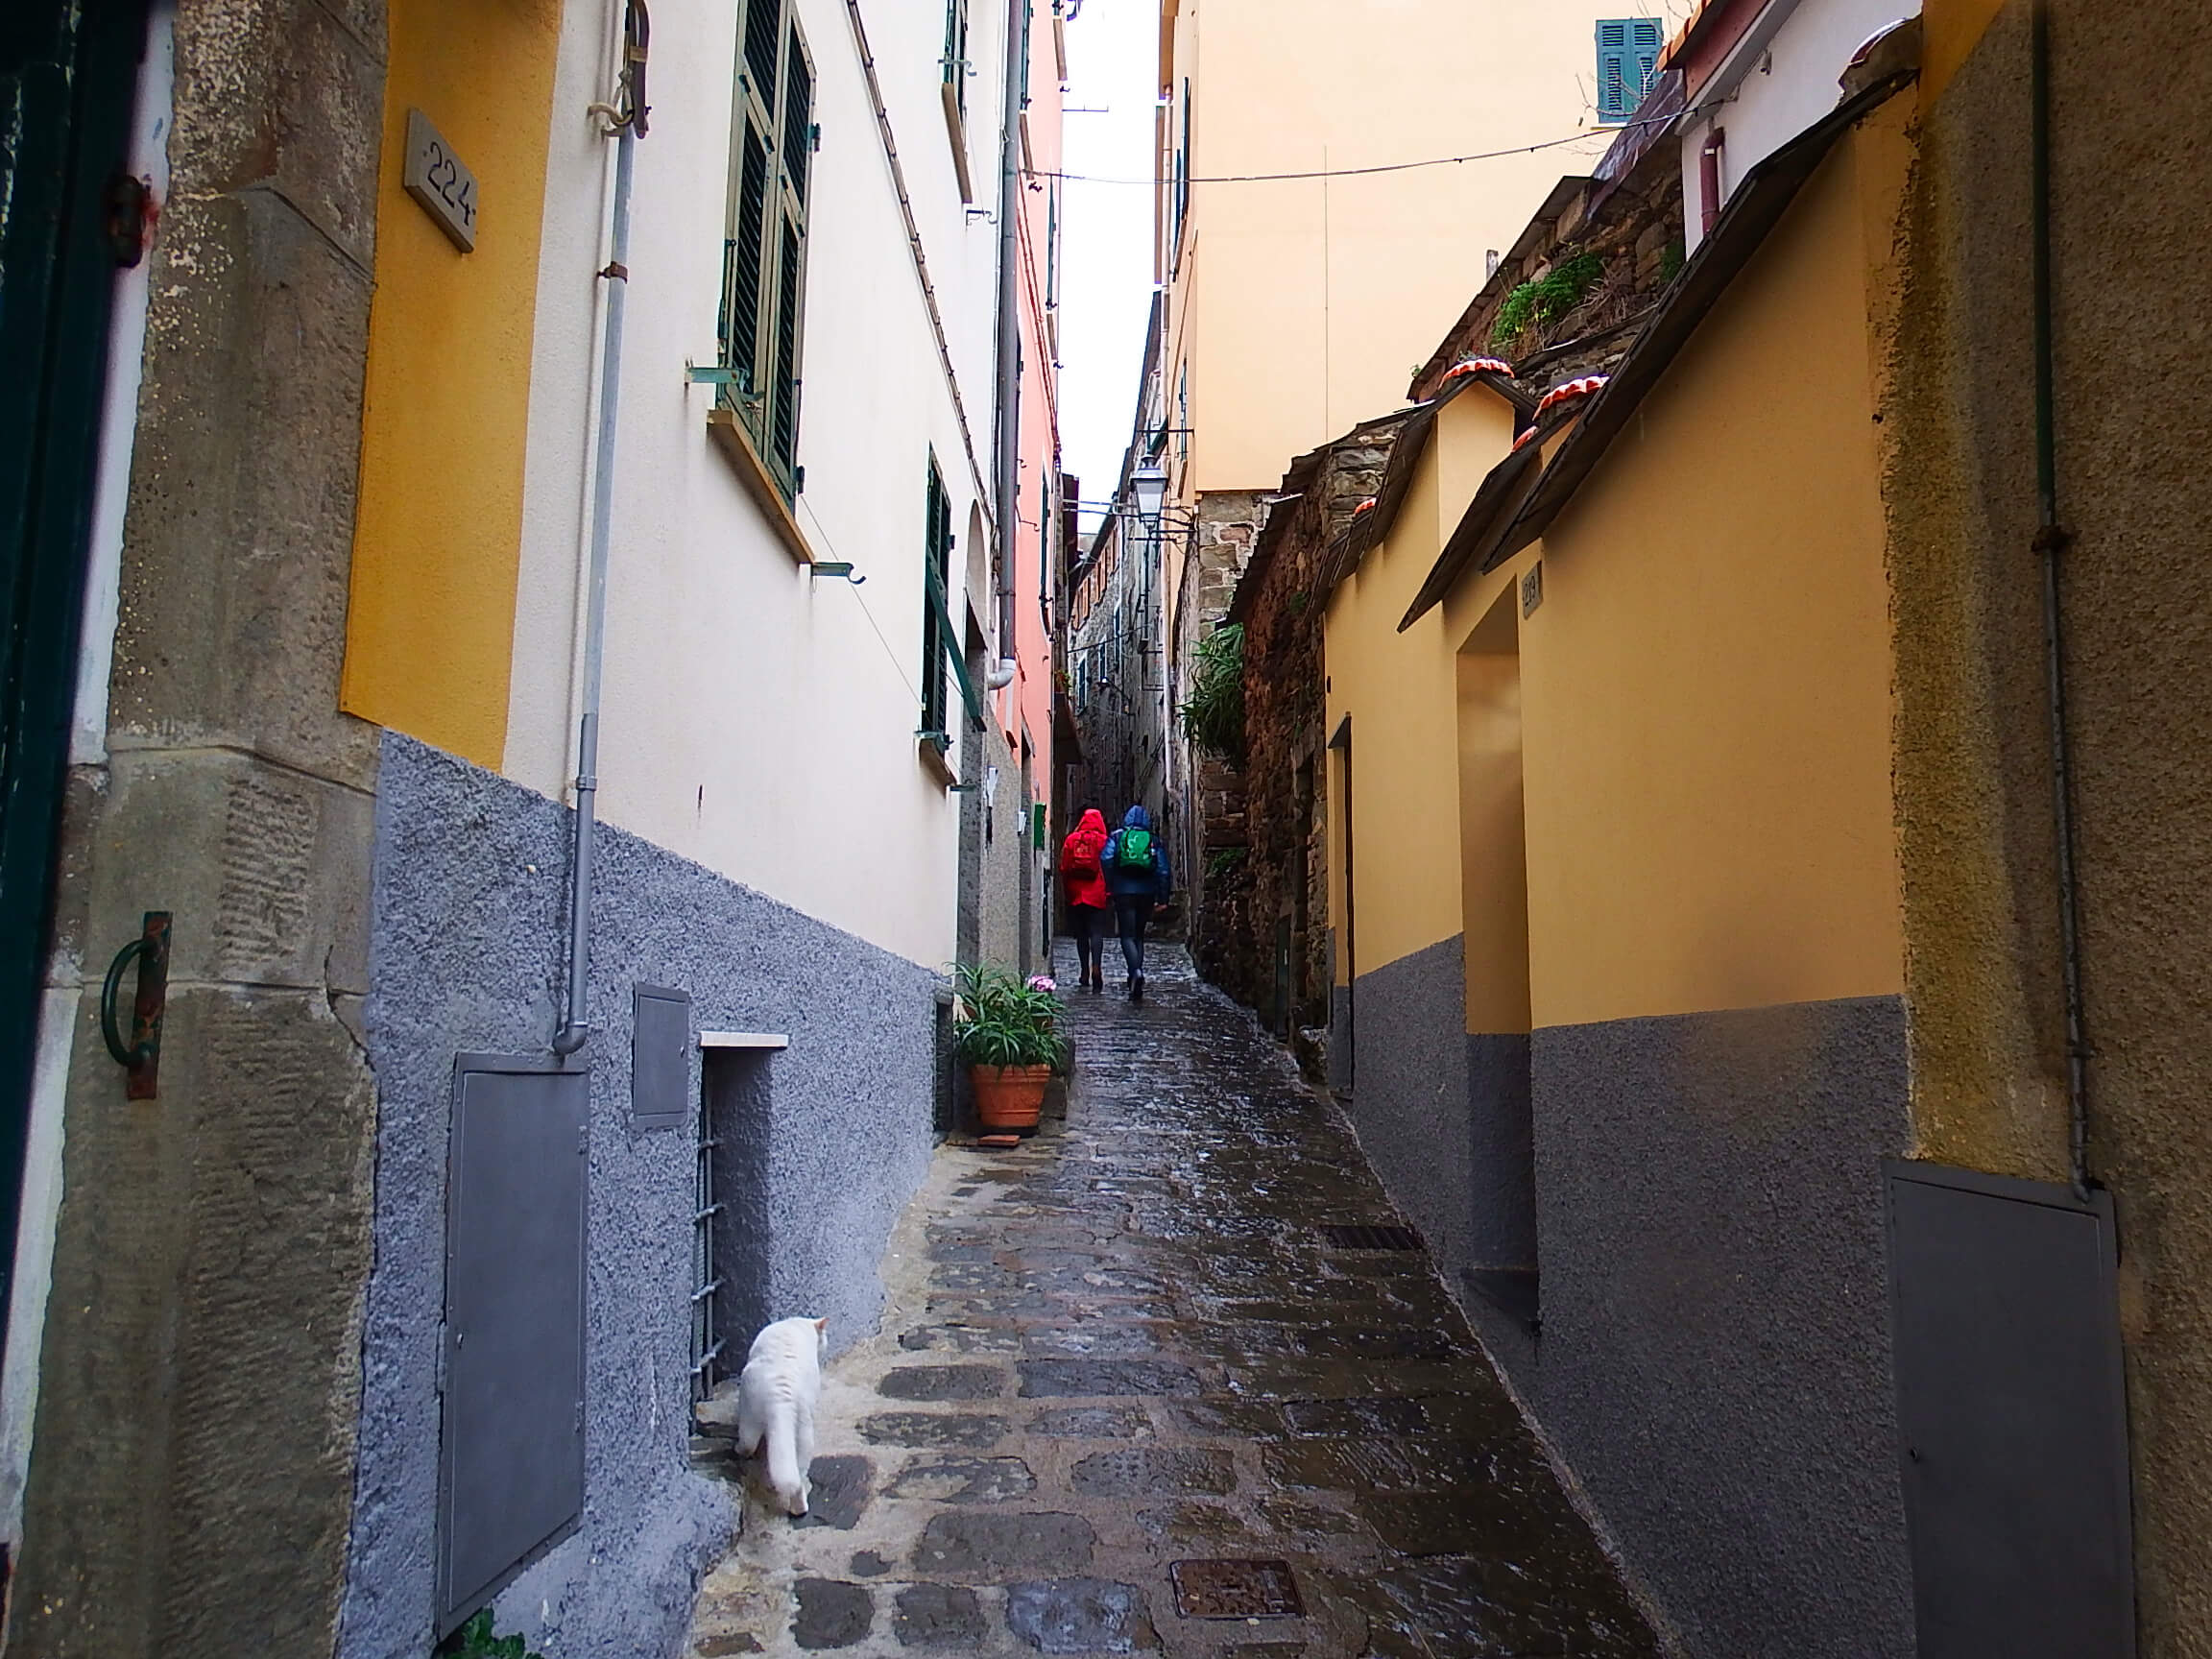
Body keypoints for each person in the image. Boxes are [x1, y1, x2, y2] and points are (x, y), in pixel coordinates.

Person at [1103, 805, 1171, 1001]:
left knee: (1127, 935)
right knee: (1139, 936)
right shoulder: (1153, 840)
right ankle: (1136, 972)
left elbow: (1106, 858)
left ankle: (1135, 973)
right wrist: (1163, 898)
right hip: (1147, 893)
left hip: (1123, 892)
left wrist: (1111, 883)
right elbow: (1163, 871)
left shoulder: (1117, 837)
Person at [1060, 808, 1112, 991]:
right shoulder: (1104, 841)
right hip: (1097, 893)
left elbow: (1064, 868)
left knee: (1081, 935)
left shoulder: (1071, 840)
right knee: (1097, 933)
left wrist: (1067, 893)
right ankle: (1096, 967)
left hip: (1076, 894)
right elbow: (1109, 865)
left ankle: (1084, 971)